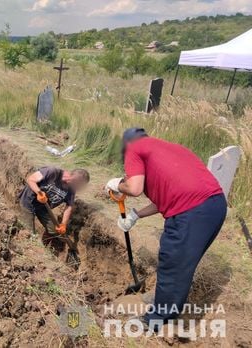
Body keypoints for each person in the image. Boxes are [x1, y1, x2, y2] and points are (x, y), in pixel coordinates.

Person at [106, 128, 226, 330]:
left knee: (172, 262)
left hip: (192, 213)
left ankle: (156, 319)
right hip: (215, 206)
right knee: (182, 264)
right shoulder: (172, 148)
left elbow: (134, 188)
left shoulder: (133, 148)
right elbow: (169, 197)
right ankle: (167, 300)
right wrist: (136, 215)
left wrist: (117, 183)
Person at [20, 167, 90, 252]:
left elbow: (69, 207)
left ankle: (43, 247)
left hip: (44, 207)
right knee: (29, 232)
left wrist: (63, 224)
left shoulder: (71, 190)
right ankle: (30, 250)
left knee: (54, 230)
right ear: (76, 178)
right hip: (28, 201)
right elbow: (31, 180)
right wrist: (39, 192)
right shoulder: (52, 172)